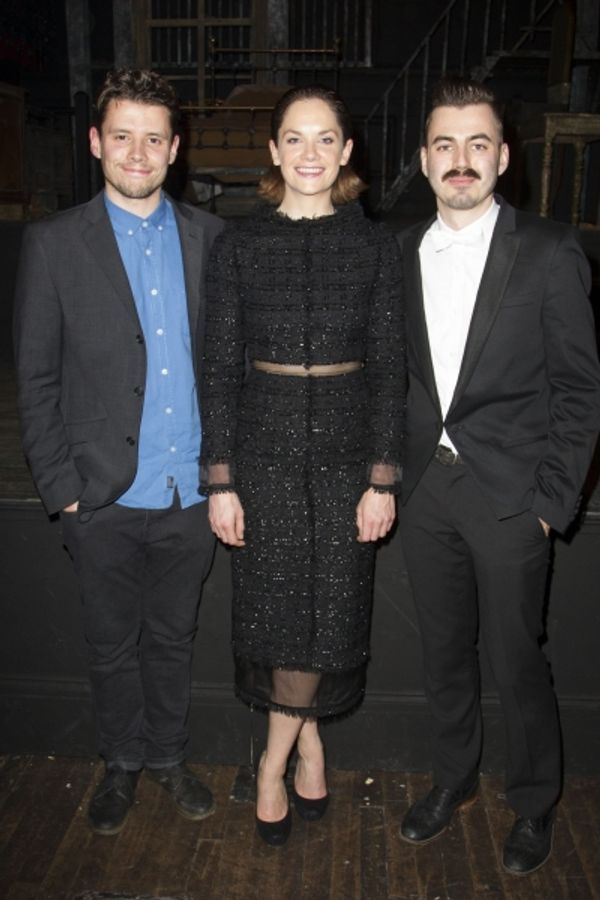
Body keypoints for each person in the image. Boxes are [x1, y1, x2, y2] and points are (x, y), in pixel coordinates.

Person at [396, 76, 600, 875]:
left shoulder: (550, 251)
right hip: (425, 489)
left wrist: (550, 503)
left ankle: (535, 800)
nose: (461, 159)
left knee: (518, 658)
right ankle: (453, 779)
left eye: (477, 144)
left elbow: (581, 390)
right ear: (424, 159)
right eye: (445, 144)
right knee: (444, 653)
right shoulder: (399, 252)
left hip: (513, 496)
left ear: (504, 157)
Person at [13, 68, 224, 835]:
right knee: (109, 648)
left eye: (154, 138)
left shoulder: (213, 239)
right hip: (101, 496)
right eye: (123, 136)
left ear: (175, 148)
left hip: (190, 494)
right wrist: (64, 489)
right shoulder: (52, 243)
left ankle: (167, 757)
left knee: (173, 639)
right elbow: (34, 377)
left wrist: (224, 476)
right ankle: (122, 763)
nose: (139, 152)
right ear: (97, 142)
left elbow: (229, 369)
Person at [201, 84, 405, 846]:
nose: (310, 153)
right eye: (295, 137)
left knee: (333, 614)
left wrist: (382, 476)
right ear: (274, 150)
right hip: (264, 453)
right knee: (282, 614)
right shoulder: (239, 246)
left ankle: (275, 757)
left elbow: (390, 369)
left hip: (348, 456)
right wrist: (220, 479)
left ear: (347, 151)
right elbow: (219, 370)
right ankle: (298, 750)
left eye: (326, 138)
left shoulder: (375, 246)